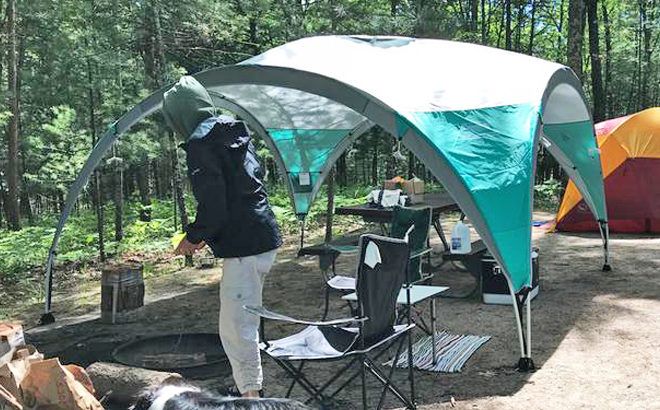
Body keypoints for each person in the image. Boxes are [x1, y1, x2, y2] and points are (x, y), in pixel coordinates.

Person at [162, 76, 282, 398]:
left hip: (244, 244)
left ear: (180, 115)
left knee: (234, 327)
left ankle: (251, 397)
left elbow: (214, 204)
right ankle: (247, 385)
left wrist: (193, 238)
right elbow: (253, 181)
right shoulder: (235, 130)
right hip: (263, 236)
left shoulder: (201, 144)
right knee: (244, 317)